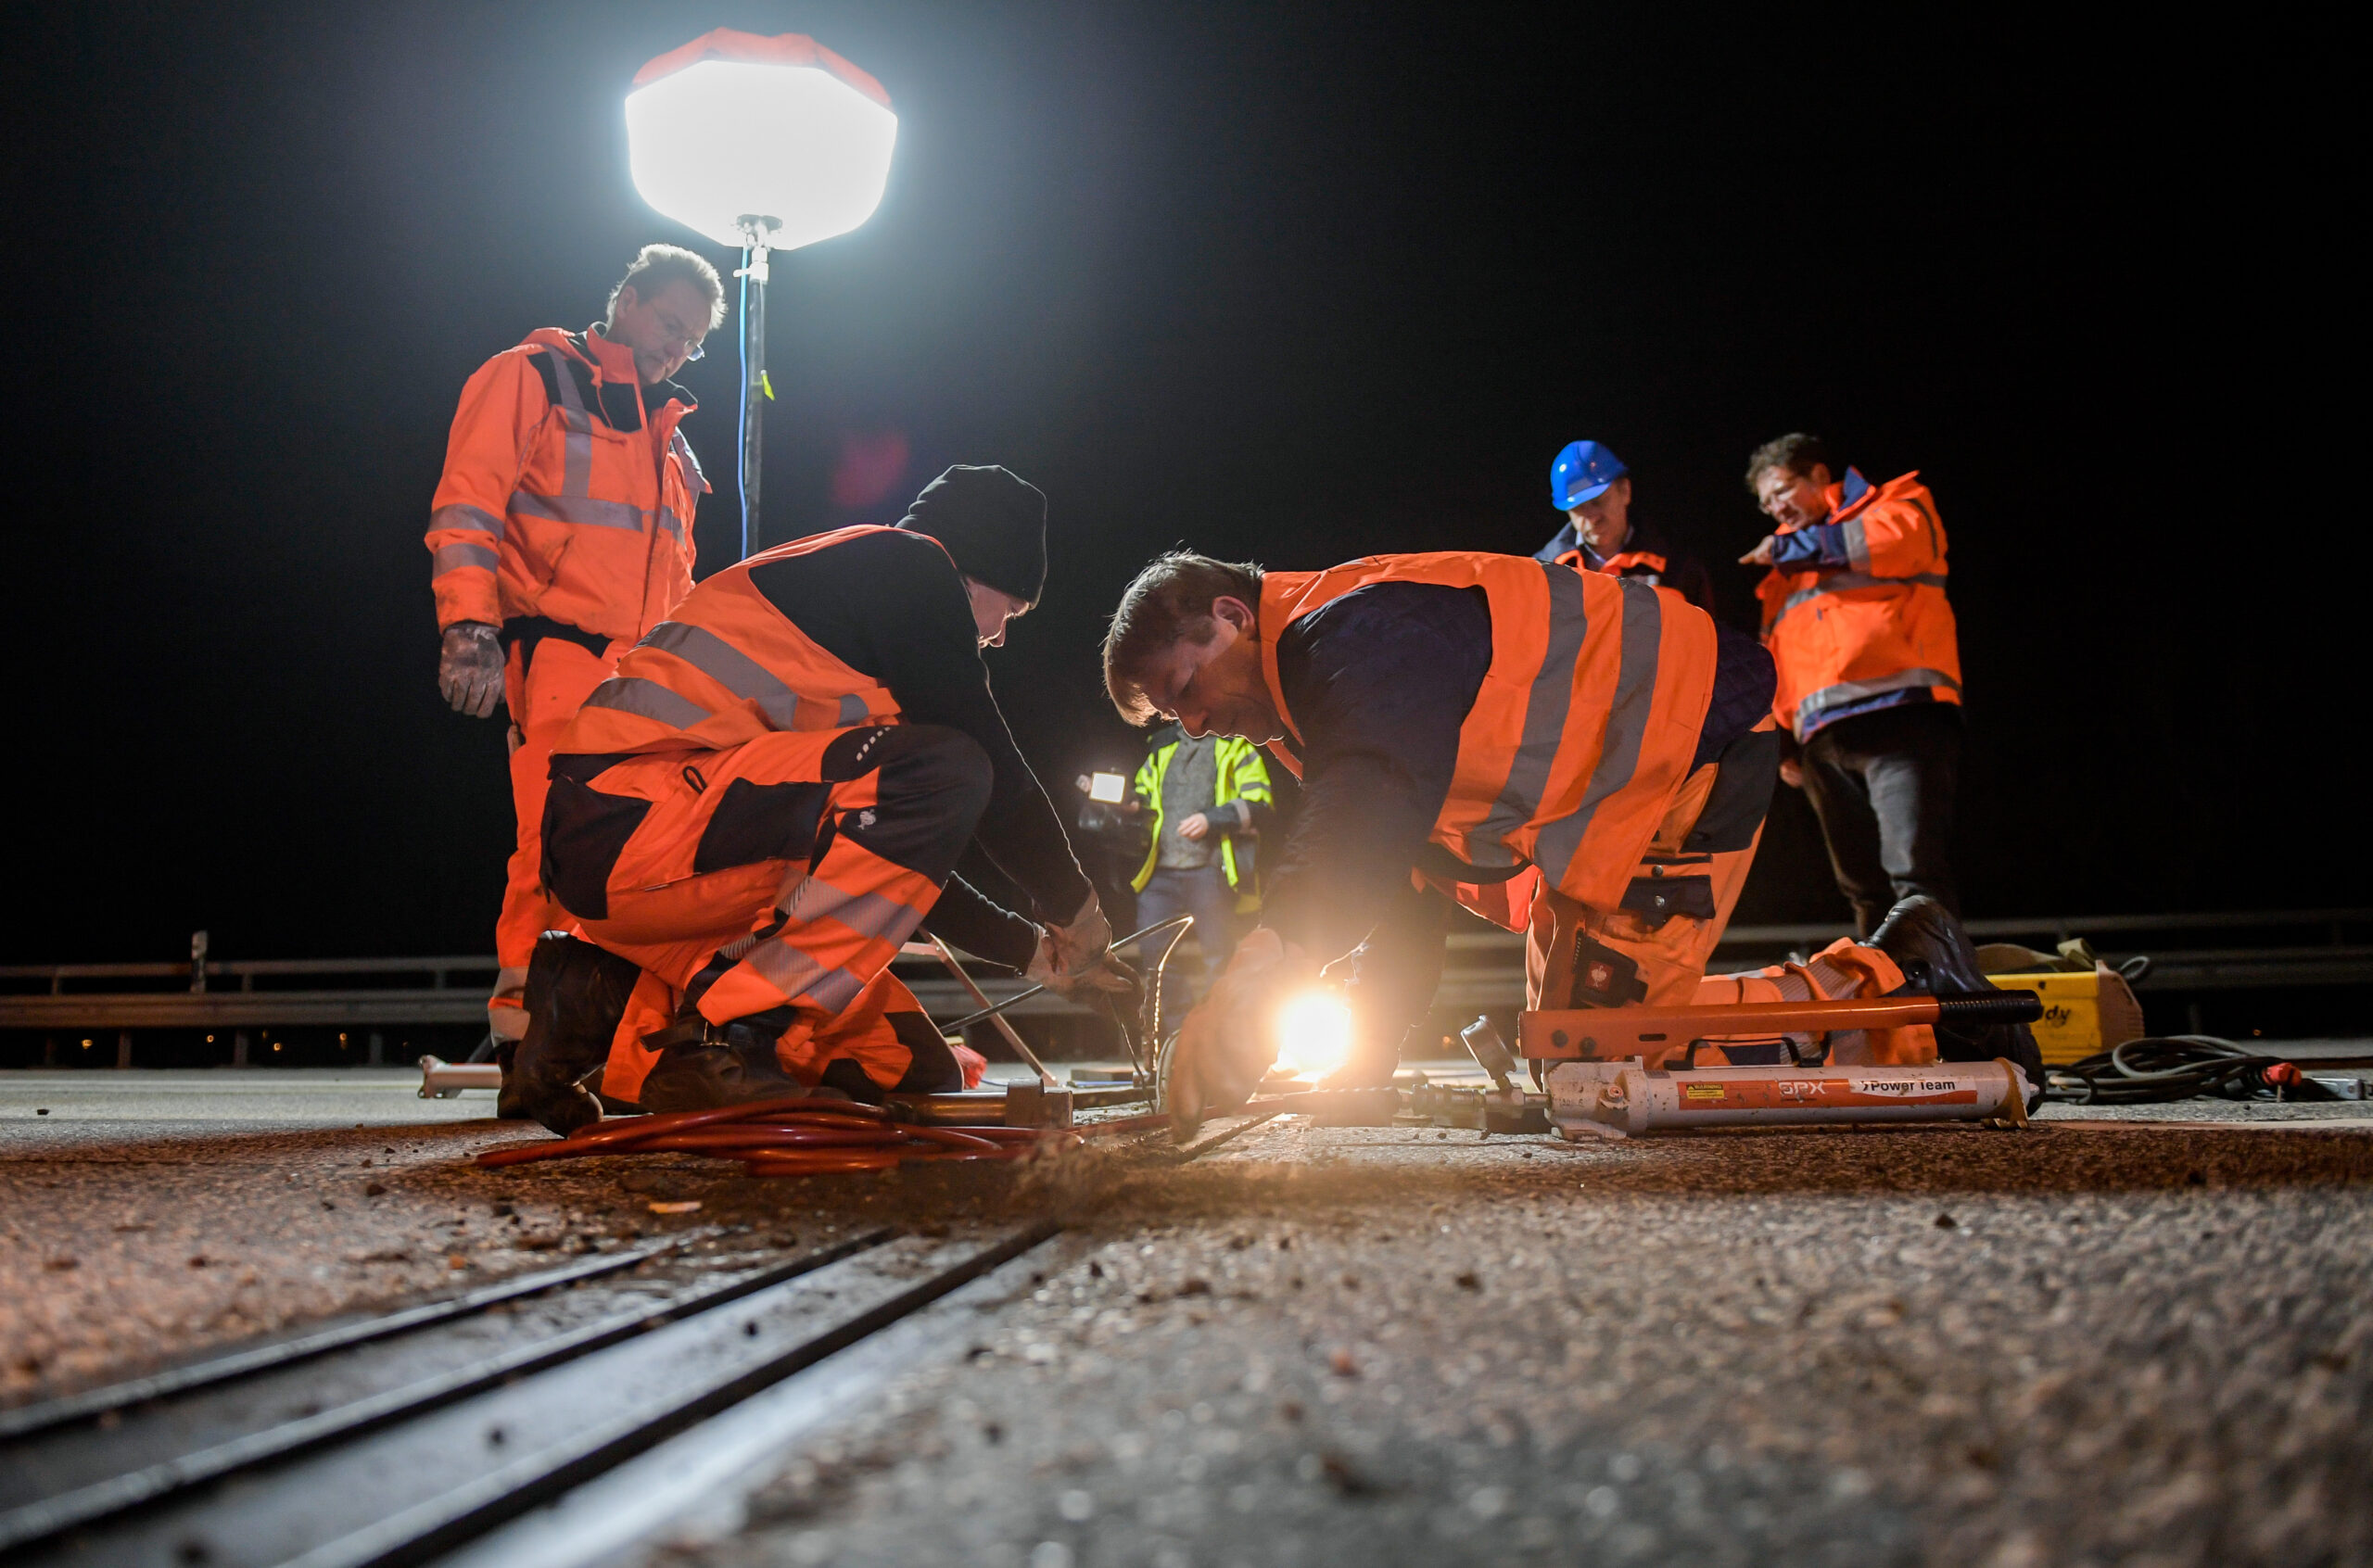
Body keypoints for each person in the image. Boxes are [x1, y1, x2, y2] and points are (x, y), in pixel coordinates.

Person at [1098, 549, 2040, 1130]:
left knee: (1606, 1070)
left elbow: (1370, 803)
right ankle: (1892, 979)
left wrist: (1265, 968)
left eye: (1184, 690)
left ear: (1228, 618)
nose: (1190, 726)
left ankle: (1907, 991)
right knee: (1576, 1055)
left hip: (1688, 757)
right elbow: (1399, 887)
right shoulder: (1318, 689)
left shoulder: (1345, 637)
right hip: (1624, 802)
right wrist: (1365, 1053)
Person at [505, 466, 1126, 1132]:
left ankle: (589, 997)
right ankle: (729, 1036)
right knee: (953, 767)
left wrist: (1032, 950)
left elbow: (892, 866)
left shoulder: (854, 607)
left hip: (641, 853)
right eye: (1011, 611)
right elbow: (992, 774)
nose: (1000, 636)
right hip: (630, 823)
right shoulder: (912, 568)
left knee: (914, 1067)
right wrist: (1074, 904)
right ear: (977, 570)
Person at [425, 245, 723, 1069]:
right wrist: (469, 626)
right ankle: (529, 1032)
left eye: (694, 343)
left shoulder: (674, 445)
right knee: (557, 844)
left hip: (647, 681)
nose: (677, 350)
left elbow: (682, 579)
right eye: (670, 325)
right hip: (558, 653)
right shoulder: (532, 378)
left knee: (639, 853)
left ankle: (602, 1029)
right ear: (627, 300)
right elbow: (467, 503)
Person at [1740, 434, 1963, 935]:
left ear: (1820, 476)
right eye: (1766, 503)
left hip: (1901, 717)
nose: (1775, 508)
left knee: (1913, 870)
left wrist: (1788, 547)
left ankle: (1942, 1003)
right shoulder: (1783, 574)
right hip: (1823, 740)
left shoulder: (1895, 505)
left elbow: (1895, 543)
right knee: (1861, 886)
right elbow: (1776, 658)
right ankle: (1884, 1003)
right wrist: (1780, 744)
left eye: (1781, 491)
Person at [1127, 724, 1275, 1024]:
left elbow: (1260, 801)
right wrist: (1127, 803)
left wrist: (1211, 819)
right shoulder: (1162, 746)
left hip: (1211, 870)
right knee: (1154, 953)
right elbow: (1143, 796)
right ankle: (1178, 1033)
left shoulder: (1235, 744)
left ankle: (1211, 1030)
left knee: (1220, 955)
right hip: (1160, 872)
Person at [1534, 439, 1717, 611]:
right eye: (1578, 509)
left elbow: (1709, 637)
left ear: (1625, 491)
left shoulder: (1679, 566)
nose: (1591, 517)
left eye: (1598, 501)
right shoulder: (1543, 570)